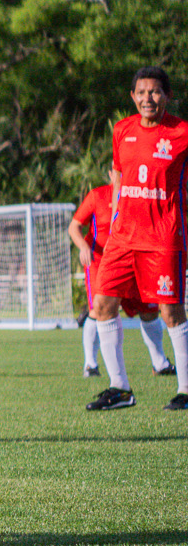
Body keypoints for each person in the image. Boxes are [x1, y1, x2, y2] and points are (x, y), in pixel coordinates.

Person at [87, 66, 188, 412]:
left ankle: (186, 389)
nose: (148, 98)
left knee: (170, 312)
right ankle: (120, 389)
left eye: (156, 91)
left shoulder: (182, 132)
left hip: (163, 238)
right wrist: (115, 215)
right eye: (142, 92)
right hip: (123, 238)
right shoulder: (122, 130)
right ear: (133, 97)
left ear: (168, 96)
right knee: (102, 306)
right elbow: (118, 176)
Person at [69, 183, 175, 382]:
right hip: (99, 262)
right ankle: (91, 365)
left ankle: (159, 363)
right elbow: (74, 226)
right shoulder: (97, 195)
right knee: (99, 309)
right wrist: (83, 245)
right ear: (112, 173)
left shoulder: (139, 194)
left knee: (149, 309)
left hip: (133, 258)